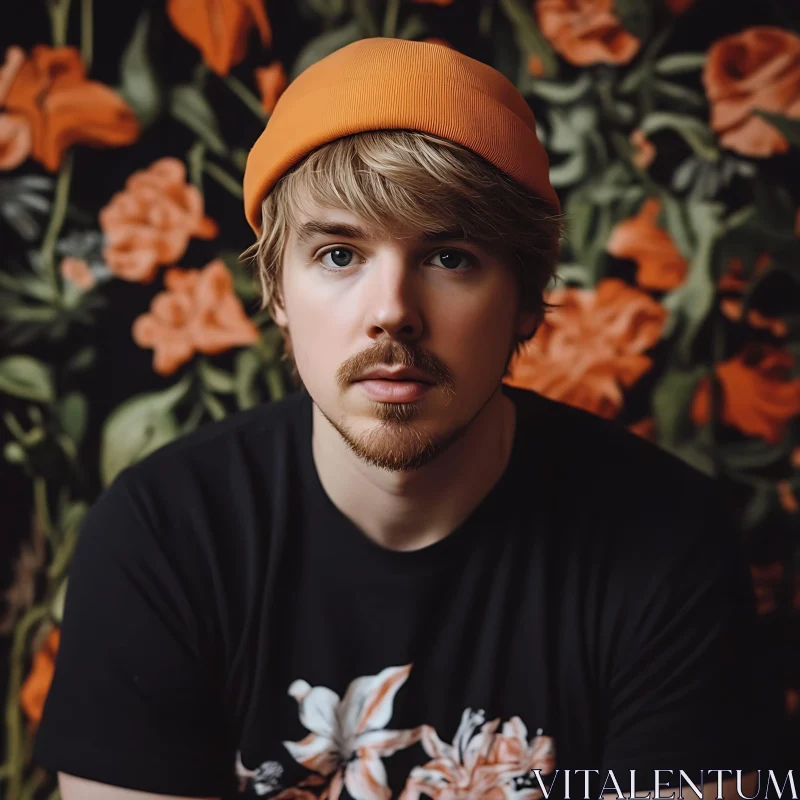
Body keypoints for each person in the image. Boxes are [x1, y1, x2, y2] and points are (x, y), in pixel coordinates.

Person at [33, 38, 775, 800]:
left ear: (524, 300)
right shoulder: (162, 535)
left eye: (449, 257)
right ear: (277, 291)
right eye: (338, 254)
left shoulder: (666, 538)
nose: (391, 313)